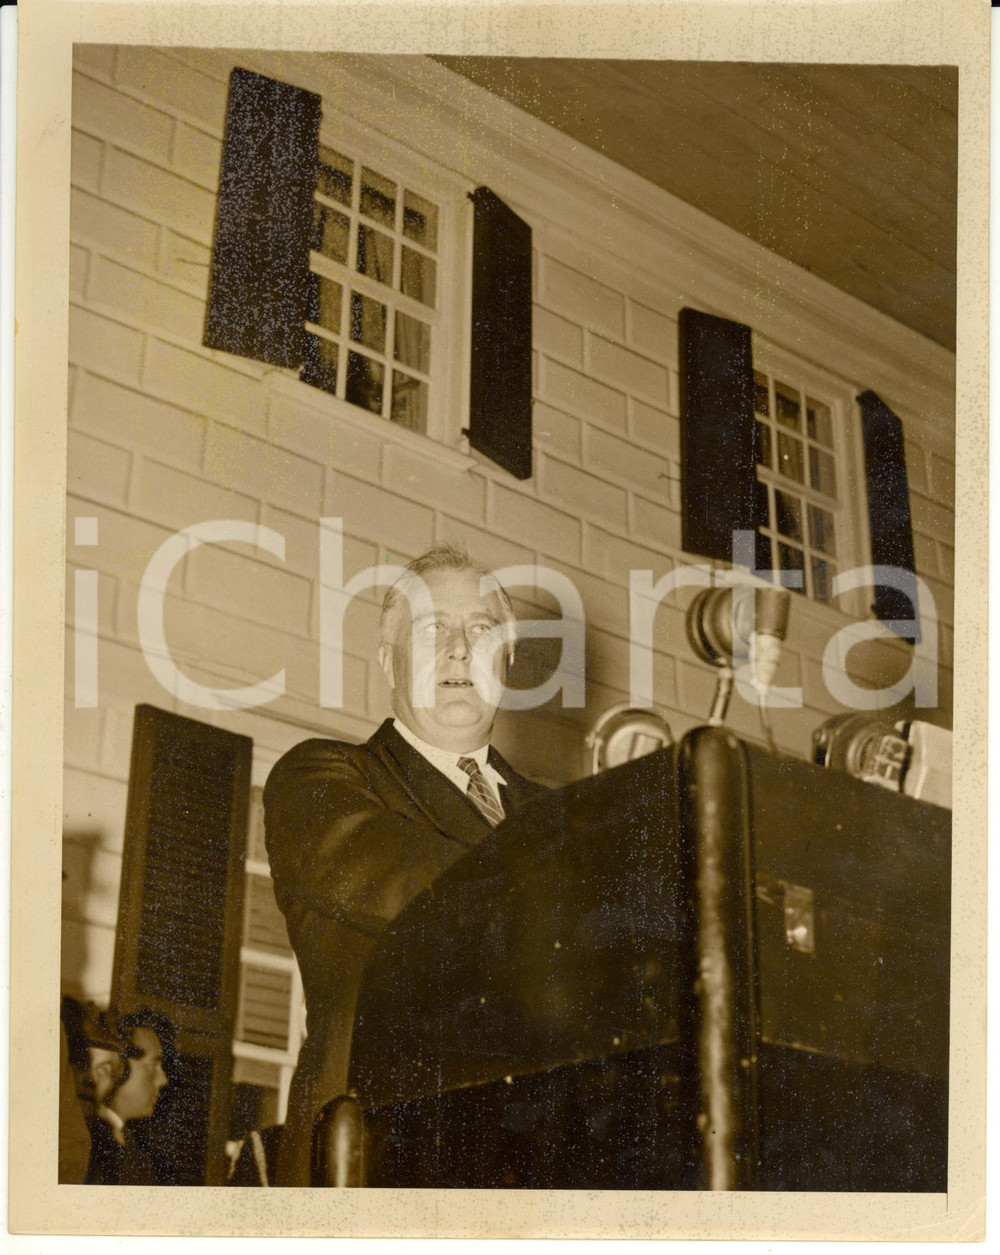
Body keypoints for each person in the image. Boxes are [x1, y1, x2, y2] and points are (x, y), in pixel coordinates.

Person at [263, 543, 547, 1185]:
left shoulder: (562, 814)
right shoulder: (324, 776)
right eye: (432, 629)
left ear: (507, 660)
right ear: (389, 659)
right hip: (380, 1158)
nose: (458, 649)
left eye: (481, 630)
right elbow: (418, 886)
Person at [82, 1006, 171, 1185]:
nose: (163, 1080)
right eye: (153, 1065)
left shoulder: (136, 1154)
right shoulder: (80, 1143)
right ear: (113, 1068)